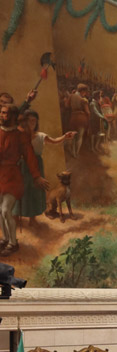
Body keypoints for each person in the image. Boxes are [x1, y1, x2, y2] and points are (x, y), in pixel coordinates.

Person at [0, 103, 49, 254]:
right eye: (1, 113)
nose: (2, 115)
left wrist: (36, 176)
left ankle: (13, 244)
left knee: (6, 210)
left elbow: (30, 157)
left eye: (5, 113)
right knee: (0, 211)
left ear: (14, 117)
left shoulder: (21, 135)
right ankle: (5, 239)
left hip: (13, 176)